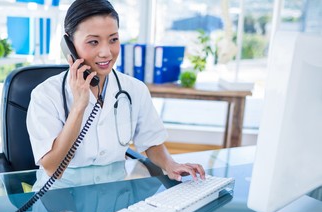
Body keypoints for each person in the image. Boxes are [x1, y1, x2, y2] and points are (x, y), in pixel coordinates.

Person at [26, 0, 205, 182]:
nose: (106, 52)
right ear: (68, 45)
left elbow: (152, 142)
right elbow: (52, 167)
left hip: (114, 194)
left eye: (113, 39)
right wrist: (79, 107)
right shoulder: (45, 95)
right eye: (93, 42)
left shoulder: (134, 89)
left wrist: (170, 164)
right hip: (59, 197)